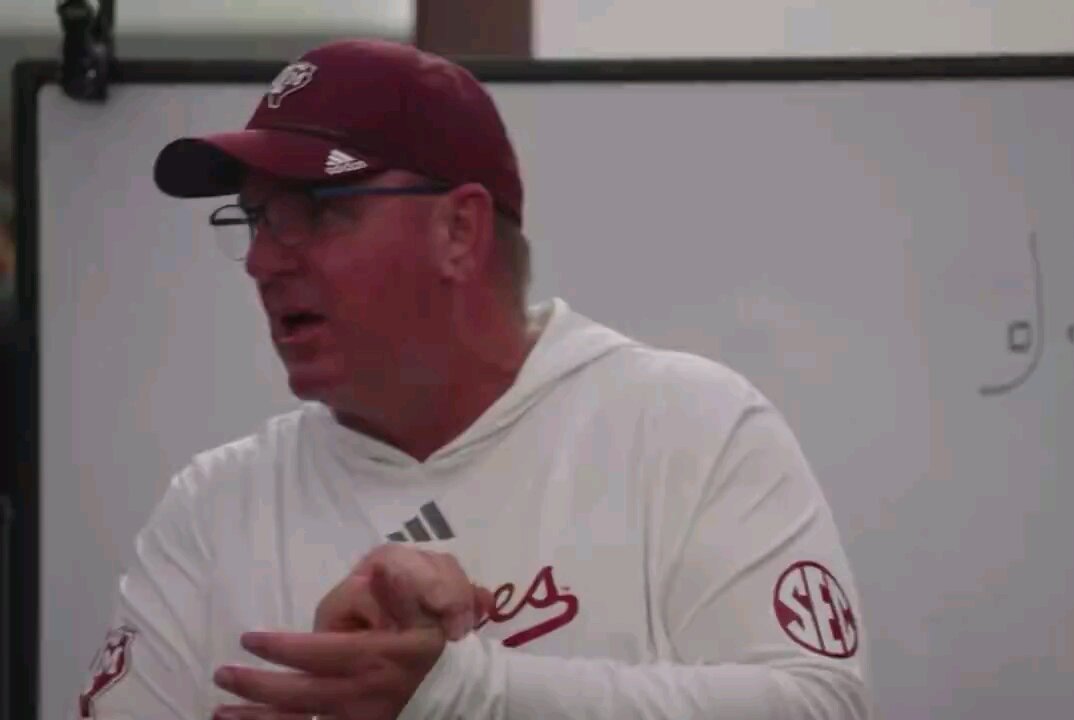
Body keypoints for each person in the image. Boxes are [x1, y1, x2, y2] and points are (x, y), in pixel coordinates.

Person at [75, 38, 875, 720]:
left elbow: (818, 704)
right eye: (252, 217)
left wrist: (467, 692)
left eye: (314, 209)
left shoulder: (690, 428)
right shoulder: (212, 510)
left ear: (459, 229)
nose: (261, 259)